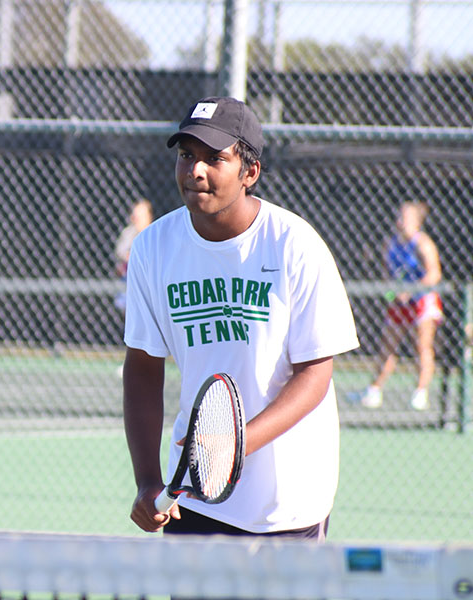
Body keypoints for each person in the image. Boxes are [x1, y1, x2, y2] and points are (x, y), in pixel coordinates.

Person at [123, 97, 359, 539]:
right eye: (187, 155)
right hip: (193, 498)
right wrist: (147, 480)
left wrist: (233, 447)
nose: (195, 170)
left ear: (249, 173)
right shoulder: (153, 248)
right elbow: (142, 367)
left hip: (287, 504)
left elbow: (314, 375)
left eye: (215, 159)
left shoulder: (294, 245)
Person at [357, 201, 443, 411]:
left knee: (422, 346)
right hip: (400, 302)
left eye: (405, 218)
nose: (399, 221)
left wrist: (411, 290)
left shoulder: (423, 244)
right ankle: (374, 390)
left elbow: (434, 275)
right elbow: (388, 272)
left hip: (422, 301)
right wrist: (393, 291)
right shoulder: (390, 243)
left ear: (416, 222)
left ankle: (420, 392)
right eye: (399, 216)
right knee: (387, 346)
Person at [113, 199, 154, 312]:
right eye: (135, 215)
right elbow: (122, 254)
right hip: (129, 279)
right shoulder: (129, 233)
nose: (136, 218)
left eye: (141, 215)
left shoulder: (155, 233)